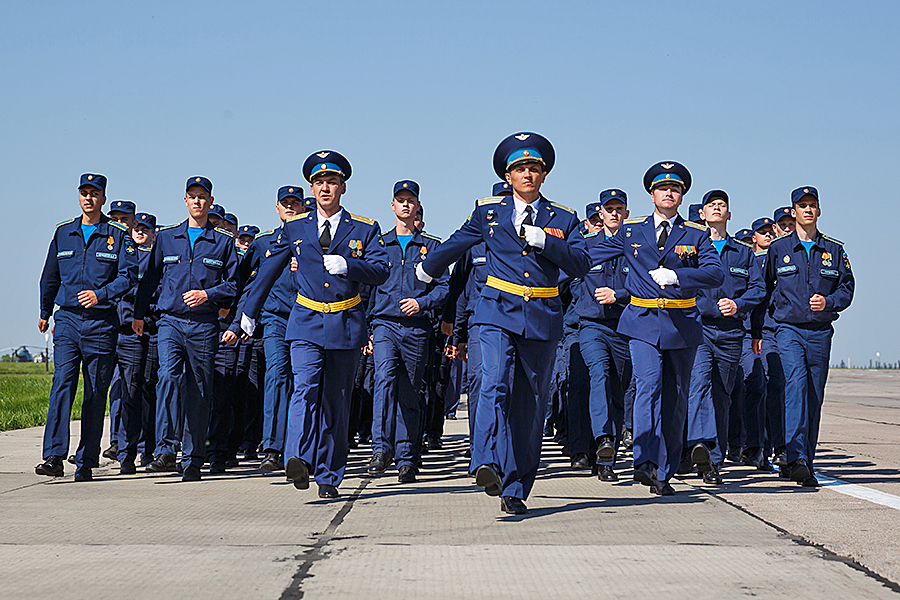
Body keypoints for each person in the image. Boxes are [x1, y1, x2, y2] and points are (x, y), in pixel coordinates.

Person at [417, 132, 590, 514]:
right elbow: (456, 243)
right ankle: (486, 461)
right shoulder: (488, 212)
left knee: (529, 407)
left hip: (542, 318)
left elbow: (580, 264)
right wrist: (427, 268)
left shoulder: (563, 218)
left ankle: (514, 487)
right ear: (507, 176)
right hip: (495, 310)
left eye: (534, 168)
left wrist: (546, 240)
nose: (527, 174)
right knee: (491, 381)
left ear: (544, 175)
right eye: (519, 169)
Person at [237, 151, 389, 499]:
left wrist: (350, 266)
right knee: (304, 387)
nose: (325, 188)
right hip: (305, 321)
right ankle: (297, 457)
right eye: (319, 182)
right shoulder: (295, 227)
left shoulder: (365, 228)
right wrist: (250, 311)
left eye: (332, 182)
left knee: (335, 401)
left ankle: (329, 475)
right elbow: (268, 271)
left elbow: (382, 270)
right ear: (312, 187)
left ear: (343, 187)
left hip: (346, 322)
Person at [586, 162, 724, 495]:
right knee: (648, 385)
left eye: (675, 189)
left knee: (676, 399)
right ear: (652, 195)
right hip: (643, 322)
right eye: (663, 189)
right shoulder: (632, 230)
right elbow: (590, 250)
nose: (669, 193)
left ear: (681, 196)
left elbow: (716, 274)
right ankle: (644, 462)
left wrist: (679, 277)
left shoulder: (696, 234)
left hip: (682, 325)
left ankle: (664, 471)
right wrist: (547, 247)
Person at [133, 176, 239, 482]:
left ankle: (193, 459)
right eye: (192, 196)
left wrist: (209, 295)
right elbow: (150, 279)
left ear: (210, 201)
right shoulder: (167, 238)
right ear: (185, 201)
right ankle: (166, 449)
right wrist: (139, 314)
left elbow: (233, 285)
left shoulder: (222, 242)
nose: (197, 201)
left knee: (200, 390)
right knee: (168, 376)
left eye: (202, 197)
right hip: (170, 322)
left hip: (204, 325)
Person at [36, 174, 138, 481]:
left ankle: (86, 459)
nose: (88, 198)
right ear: (78, 197)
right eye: (84, 193)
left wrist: (101, 294)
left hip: (101, 324)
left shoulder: (117, 234)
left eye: (94, 193)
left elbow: (128, 277)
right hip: (66, 320)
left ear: (103, 199)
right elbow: (50, 276)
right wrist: (44, 311)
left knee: (95, 392)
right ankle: (53, 456)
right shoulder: (63, 232)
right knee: (62, 386)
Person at [763, 186, 854, 487]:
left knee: (814, 396)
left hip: (820, 332)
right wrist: (758, 331)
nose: (807, 210)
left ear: (819, 211)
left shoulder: (834, 249)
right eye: (802, 206)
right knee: (796, 386)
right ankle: (795, 456)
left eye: (812, 205)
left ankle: (806, 464)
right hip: (788, 329)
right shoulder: (778, 249)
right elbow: (763, 290)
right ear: (793, 211)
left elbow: (847, 287)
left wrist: (828, 303)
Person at [367, 181, 450, 482]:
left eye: (410, 201)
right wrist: (366, 329)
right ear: (392, 206)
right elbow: (367, 287)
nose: (405, 205)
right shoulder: (378, 245)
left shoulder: (432, 247)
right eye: (400, 200)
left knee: (411, 392)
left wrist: (422, 302)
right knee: (384, 380)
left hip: (417, 329)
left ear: (417, 207)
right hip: (385, 324)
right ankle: (380, 448)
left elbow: (444, 288)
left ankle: (407, 457)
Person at [683, 190, 764, 484]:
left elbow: (757, 289)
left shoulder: (743, 252)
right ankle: (700, 443)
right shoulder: (689, 247)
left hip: (731, 332)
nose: (718, 207)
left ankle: (713, 462)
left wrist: (738, 305)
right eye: (711, 204)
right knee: (699, 383)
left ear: (729, 215)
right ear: (702, 214)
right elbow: (680, 284)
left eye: (723, 205)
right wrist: (706, 306)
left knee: (721, 395)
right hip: (698, 327)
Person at [224, 187, 306, 471]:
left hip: (307, 319)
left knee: (302, 382)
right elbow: (246, 284)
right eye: (286, 204)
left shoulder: (312, 238)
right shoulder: (262, 244)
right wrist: (241, 320)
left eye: (296, 203)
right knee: (277, 375)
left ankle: (296, 447)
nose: (291, 208)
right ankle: (272, 447)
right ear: (277, 209)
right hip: (275, 319)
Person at [574, 189, 632, 482]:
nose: (613, 213)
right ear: (599, 213)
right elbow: (566, 276)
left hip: (624, 327)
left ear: (626, 214)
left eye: (619, 208)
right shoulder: (586, 247)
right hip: (592, 326)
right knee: (600, 373)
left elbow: (647, 283)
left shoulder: (635, 247)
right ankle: (603, 441)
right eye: (608, 209)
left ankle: (609, 455)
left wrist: (619, 294)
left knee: (618, 391)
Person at [113, 210, 161, 474]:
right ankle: (123, 450)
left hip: (146, 330)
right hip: (117, 327)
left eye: (146, 229)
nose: (140, 232)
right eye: (137, 228)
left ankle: (145, 448)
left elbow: (159, 290)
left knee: (144, 391)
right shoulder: (123, 255)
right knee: (123, 393)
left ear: (154, 232)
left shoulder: (157, 260)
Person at [104, 199, 138, 461]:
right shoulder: (104, 246)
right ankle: (114, 441)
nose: (120, 223)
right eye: (115, 218)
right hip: (105, 328)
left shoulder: (146, 251)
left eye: (125, 219)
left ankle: (129, 442)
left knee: (132, 389)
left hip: (132, 331)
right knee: (112, 387)